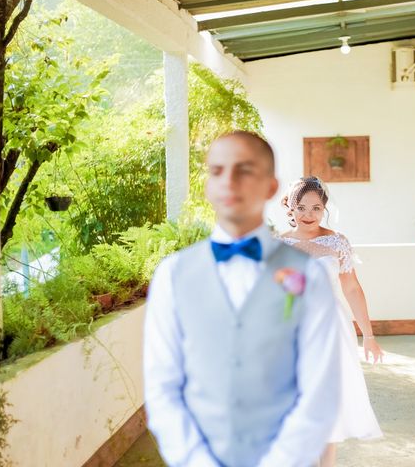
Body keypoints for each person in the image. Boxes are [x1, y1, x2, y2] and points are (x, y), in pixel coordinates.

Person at [143, 132, 342, 467]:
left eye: (244, 170)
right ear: (207, 185)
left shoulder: (311, 277)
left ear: (270, 186)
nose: (229, 182)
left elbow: (320, 391)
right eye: (217, 171)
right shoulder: (172, 275)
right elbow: (161, 387)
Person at [280, 176, 384, 467]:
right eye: (301, 208)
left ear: (324, 208)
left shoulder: (337, 242)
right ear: (289, 207)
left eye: (315, 208)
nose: (308, 216)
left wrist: (369, 335)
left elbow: (352, 289)